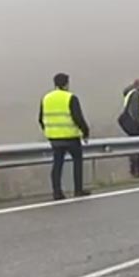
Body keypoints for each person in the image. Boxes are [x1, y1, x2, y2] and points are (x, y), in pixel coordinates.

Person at [39, 72, 91, 200]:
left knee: (57, 164)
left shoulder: (46, 98)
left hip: (54, 138)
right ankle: (78, 190)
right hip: (71, 136)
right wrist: (85, 132)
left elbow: (40, 118)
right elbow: (78, 118)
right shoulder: (71, 97)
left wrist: (48, 131)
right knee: (77, 162)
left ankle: (57, 192)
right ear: (66, 84)